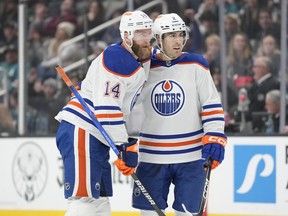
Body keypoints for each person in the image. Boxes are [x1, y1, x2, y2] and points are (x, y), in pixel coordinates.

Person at [55, 11, 153, 216]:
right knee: (84, 200)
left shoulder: (137, 58)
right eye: (141, 33)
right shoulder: (117, 59)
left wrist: (127, 143)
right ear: (126, 36)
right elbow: (107, 108)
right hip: (82, 129)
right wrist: (122, 146)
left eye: (148, 32)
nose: (147, 38)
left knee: (99, 201)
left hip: (96, 135)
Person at [132, 13, 227, 216]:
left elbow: (210, 103)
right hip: (151, 156)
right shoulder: (142, 66)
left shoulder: (197, 64)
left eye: (181, 35)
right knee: (148, 213)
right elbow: (128, 106)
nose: (178, 41)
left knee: (188, 213)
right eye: (171, 35)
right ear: (158, 39)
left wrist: (215, 136)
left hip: (191, 157)